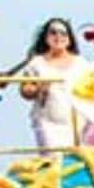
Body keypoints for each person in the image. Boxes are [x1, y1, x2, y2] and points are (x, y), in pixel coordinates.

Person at [20, 19, 86, 152]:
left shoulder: (81, 63)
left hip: (78, 123)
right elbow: (25, 90)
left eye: (63, 33)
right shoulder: (37, 63)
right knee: (53, 162)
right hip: (48, 123)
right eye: (53, 33)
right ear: (46, 38)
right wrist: (39, 89)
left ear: (69, 39)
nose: (58, 37)